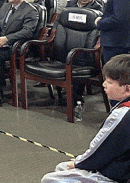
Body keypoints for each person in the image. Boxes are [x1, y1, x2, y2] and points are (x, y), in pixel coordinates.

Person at [41, 54, 130, 183]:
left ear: (127, 89)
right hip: (122, 168)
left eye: (109, 82)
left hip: (116, 176)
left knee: (51, 178)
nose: (104, 84)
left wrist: (78, 163)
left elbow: (101, 149)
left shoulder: (122, 115)